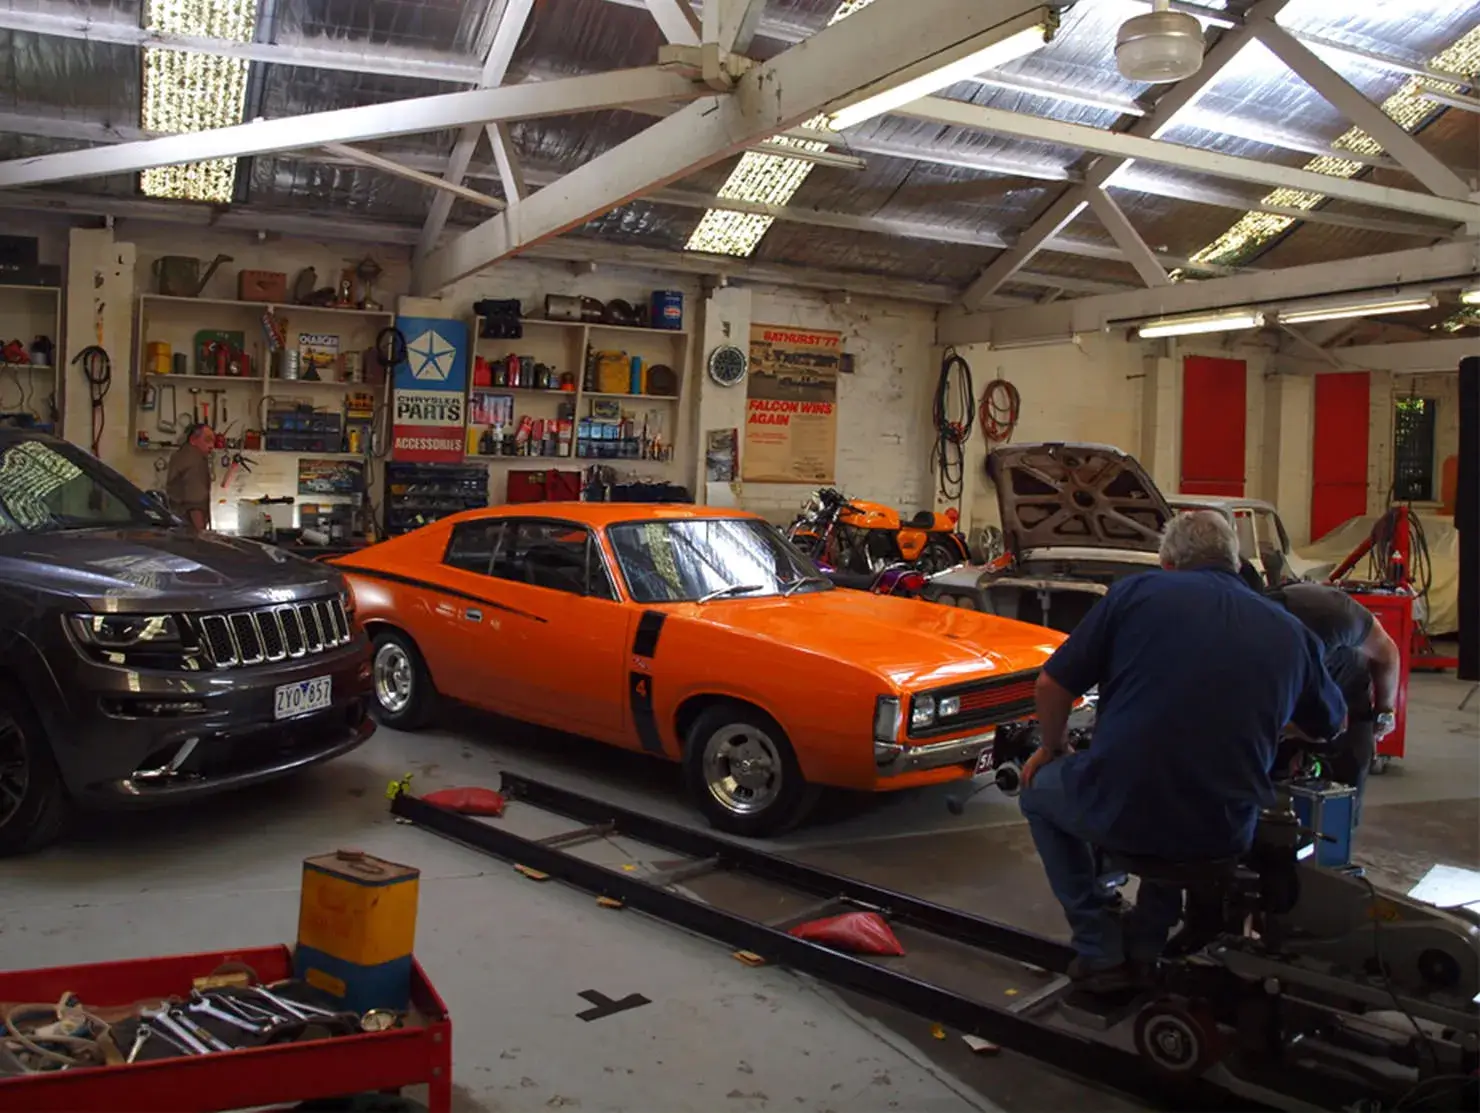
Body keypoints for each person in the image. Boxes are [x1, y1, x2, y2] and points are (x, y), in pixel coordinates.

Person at [1018, 511, 1346, 990]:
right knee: (1183, 808)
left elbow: (1051, 686)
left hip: (1125, 813)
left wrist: (1053, 747)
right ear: (1236, 563)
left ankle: (1099, 946)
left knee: (1037, 793)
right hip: (1224, 831)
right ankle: (1147, 944)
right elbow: (1328, 727)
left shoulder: (1135, 593)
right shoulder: (1290, 629)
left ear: (1167, 561)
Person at [1267, 582, 1400, 824]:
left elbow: (1386, 652)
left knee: (1342, 795)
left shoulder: (1333, 615)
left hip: (1347, 693)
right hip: (1283, 699)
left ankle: (1336, 847)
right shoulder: (1250, 635)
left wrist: (1385, 710)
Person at [165, 422, 215, 531]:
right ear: (193, 440)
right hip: (190, 528)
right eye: (207, 440)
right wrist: (201, 532)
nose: (211, 446)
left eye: (213, 441)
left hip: (177, 524)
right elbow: (195, 502)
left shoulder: (179, 455)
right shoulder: (195, 461)